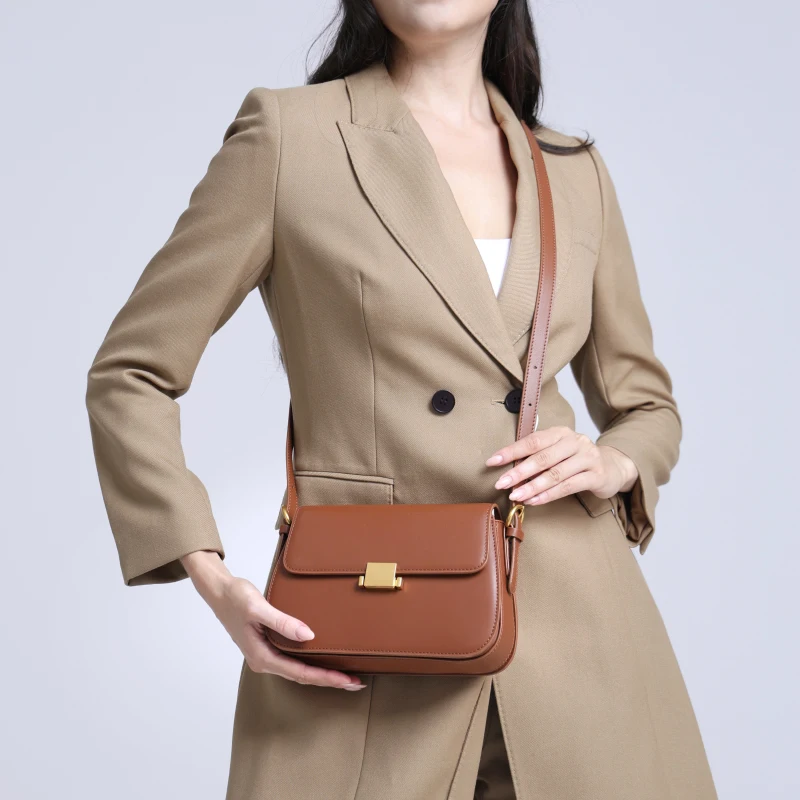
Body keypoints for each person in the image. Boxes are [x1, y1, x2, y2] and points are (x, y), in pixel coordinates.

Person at [85, 1, 718, 798]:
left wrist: (613, 461)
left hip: (577, 633)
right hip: (373, 626)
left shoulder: (574, 170)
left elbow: (647, 407)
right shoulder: (291, 137)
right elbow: (130, 373)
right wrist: (212, 579)